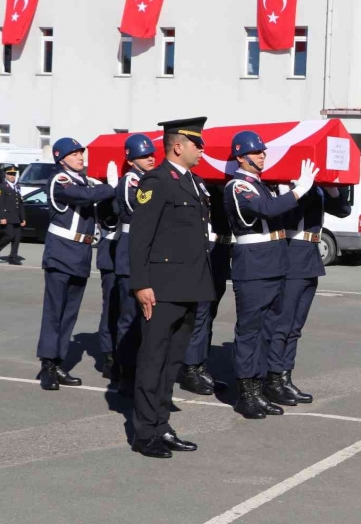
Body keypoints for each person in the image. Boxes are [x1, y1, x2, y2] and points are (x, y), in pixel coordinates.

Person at [129, 118, 216, 458]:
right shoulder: (157, 180)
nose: (202, 149)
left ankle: (161, 424)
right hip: (161, 288)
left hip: (190, 286)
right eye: (197, 143)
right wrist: (141, 284)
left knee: (171, 363)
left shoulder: (194, 183)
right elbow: (140, 237)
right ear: (178, 146)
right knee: (153, 360)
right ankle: (144, 432)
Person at [223, 130, 318, 419]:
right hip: (253, 267)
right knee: (250, 332)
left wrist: (296, 190)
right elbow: (265, 210)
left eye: (264, 151)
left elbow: (281, 212)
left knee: (267, 331)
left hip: (273, 265)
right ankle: (246, 394)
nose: (263, 155)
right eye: (257, 152)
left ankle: (261, 387)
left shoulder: (261, 185)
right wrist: (298, 190)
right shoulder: (238, 187)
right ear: (241, 157)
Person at [35, 138, 116, 391]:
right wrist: (111, 186)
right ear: (61, 159)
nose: (80, 156)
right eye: (74, 154)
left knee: (69, 314)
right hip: (61, 251)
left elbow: (93, 196)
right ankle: (48, 365)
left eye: (81, 152)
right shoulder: (61, 180)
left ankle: (59, 362)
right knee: (54, 312)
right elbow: (81, 196)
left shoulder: (87, 181)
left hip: (81, 252)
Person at [265, 179, 351, 405]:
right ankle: (273, 379)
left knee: (295, 326)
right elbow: (287, 215)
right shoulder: (289, 186)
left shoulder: (317, 187)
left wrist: (332, 188)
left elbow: (343, 210)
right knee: (283, 323)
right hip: (292, 254)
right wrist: (295, 188)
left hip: (310, 256)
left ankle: (285, 376)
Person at [113, 133, 157, 395]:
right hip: (130, 256)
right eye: (144, 155)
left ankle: (141, 373)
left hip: (147, 256)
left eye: (151, 154)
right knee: (129, 320)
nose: (150, 158)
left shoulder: (148, 180)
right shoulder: (130, 182)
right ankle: (125, 376)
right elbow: (142, 210)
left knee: (146, 319)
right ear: (131, 160)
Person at [180, 176, 231, 396]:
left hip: (221, 251)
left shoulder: (228, 185)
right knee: (199, 313)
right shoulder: (199, 183)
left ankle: (201, 366)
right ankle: (191, 369)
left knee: (209, 313)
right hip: (205, 248)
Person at [95, 200, 120, 380]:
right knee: (111, 308)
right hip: (111, 255)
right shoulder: (108, 193)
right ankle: (109, 356)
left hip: (131, 254)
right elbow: (111, 216)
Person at [0, 164, 26, 265]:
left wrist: (23, 218)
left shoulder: (17, 187)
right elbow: (0, 203)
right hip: (7, 216)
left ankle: (12, 257)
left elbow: (20, 203)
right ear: (6, 175)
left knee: (17, 238)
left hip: (17, 217)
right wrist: (2, 217)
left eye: (13, 174)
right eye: (10, 174)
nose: (12, 176)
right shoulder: (2, 187)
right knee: (10, 235)